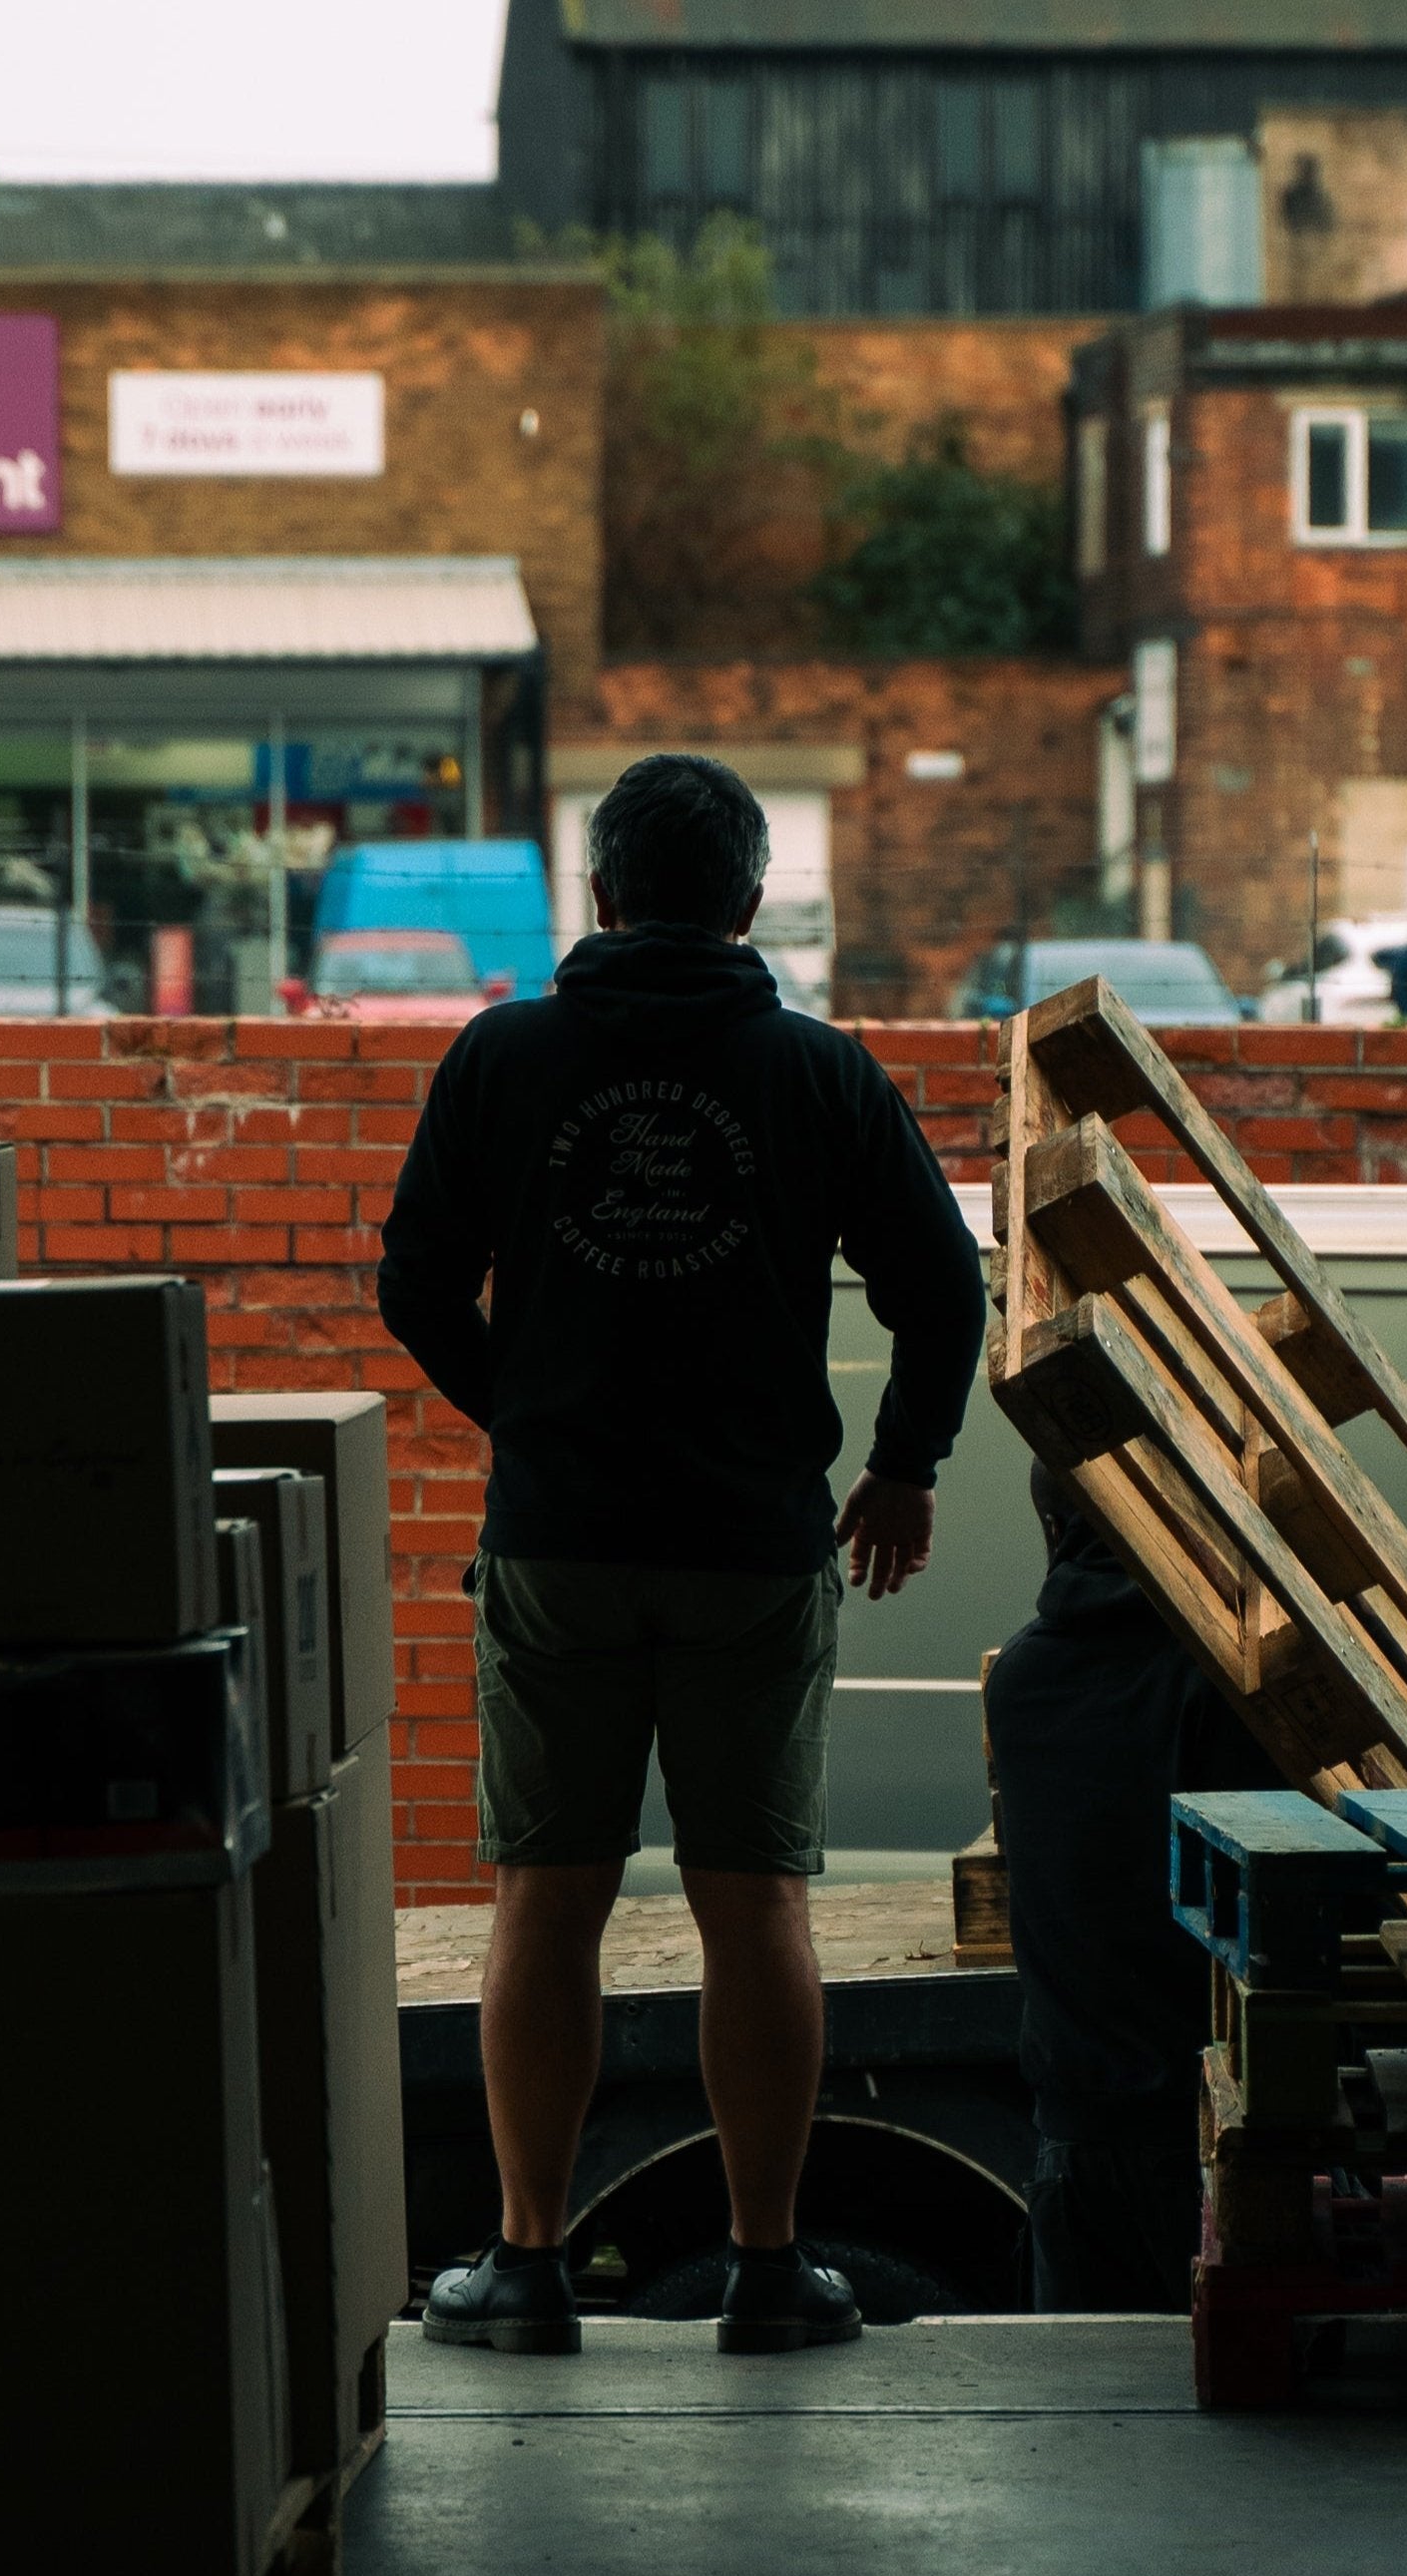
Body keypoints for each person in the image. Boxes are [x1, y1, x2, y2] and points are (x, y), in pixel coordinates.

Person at [377, 752, 987, 2357]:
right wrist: (903, 1471)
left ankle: (523, 2265)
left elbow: (413, 1277)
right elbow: (947, 1290)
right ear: (746, 899)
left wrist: (527, 1409)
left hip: (561, 1542)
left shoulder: (506, 1056)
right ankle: (771, 2268)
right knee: (754, 1902)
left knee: (543, 1898)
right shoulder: (817, 1073)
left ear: (600, 892)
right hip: (753, 1544)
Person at [982, 1464, 1286, 2311]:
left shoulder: (1018, 1678)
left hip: (1072, 2133)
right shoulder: (1212, 1685)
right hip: (1200, 2136)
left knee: (1090, 2422)